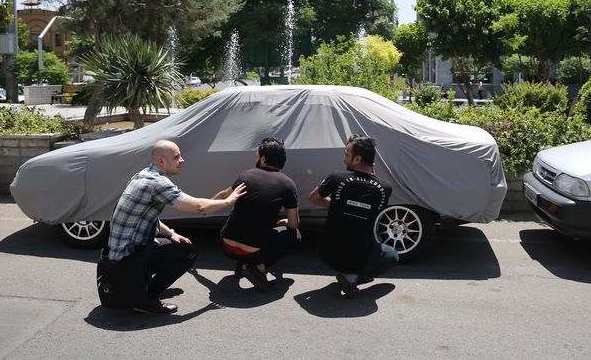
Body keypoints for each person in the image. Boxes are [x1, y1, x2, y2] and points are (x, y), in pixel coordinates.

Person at [97, 139, 246, 315]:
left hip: (119, 254)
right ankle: (145, 299)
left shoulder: (142, 175)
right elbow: (199, 207)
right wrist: (229, 200)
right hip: (127, 258)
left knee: (170, 243)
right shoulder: (157, 183)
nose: (182, 160)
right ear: (161, 160)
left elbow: (146, 216)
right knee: (188, 253)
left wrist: (171, 233)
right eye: (176, 157)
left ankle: (140, 285)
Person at [308, 134, 399, 298]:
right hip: (356, 258)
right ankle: (353, 277)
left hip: (326, 253)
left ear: (357, 159)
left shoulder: (336, 177)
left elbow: (313, 198)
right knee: (392, 255)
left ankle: (349, 275)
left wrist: (338, 205)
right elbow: (369, 212)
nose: (344, 159)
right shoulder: (385, 188)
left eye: (346, 154)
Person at [214, 137, 300, 291]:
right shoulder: (288, 184)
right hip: (253, 252)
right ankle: (258, 267)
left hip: (226, 245)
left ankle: (241, 264)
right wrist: (286, 222)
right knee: (295, 234)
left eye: (257, 156)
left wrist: (203, 210)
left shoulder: (246, 175)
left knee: (242, 215)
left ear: (263, 159)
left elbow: (223, 196)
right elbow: (294, 224)